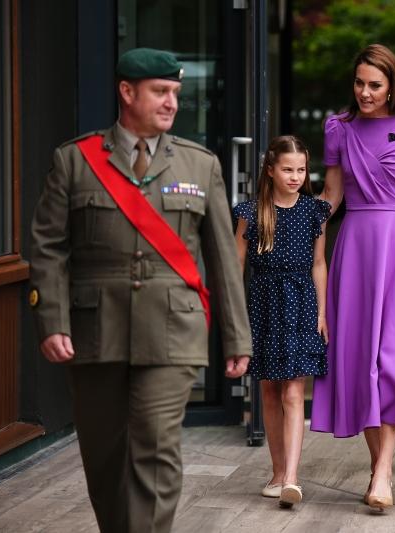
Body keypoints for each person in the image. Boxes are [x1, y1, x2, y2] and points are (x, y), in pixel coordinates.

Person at [29, 48, 252, 532]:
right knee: (105, 454)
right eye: (160, 92)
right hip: (94, 329)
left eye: (175, 92)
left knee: (155, 447)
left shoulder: (200, 165)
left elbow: (222, 259)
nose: (172, 102)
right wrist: (53, 320)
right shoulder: (74, 161)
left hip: (173, 330)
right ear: (127, 92)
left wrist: (237, 338)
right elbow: (48, 248)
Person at [310, 43, 395, 512]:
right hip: (355, 249)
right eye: (359, 84)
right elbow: (330, 195)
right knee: (359, 361)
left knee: (393, 359)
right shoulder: (339, 128)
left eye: (375, 85)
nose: (365, 93)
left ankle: (384, 470)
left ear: (392, 87)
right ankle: (379, 466)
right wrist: (296, 234)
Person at [232, 135, 330, 508]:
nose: (295, 176)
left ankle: (292, 477)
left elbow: (319, 263)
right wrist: (235, 318)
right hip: (261, 305)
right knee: (269, 391)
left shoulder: (314, 211)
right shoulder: (250, 213)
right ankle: (276, 473)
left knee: (292, 390)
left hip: (302, 303)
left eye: (301, 170)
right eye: (287, 169)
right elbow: (234, 267)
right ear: (270, 170)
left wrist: (322, 311)